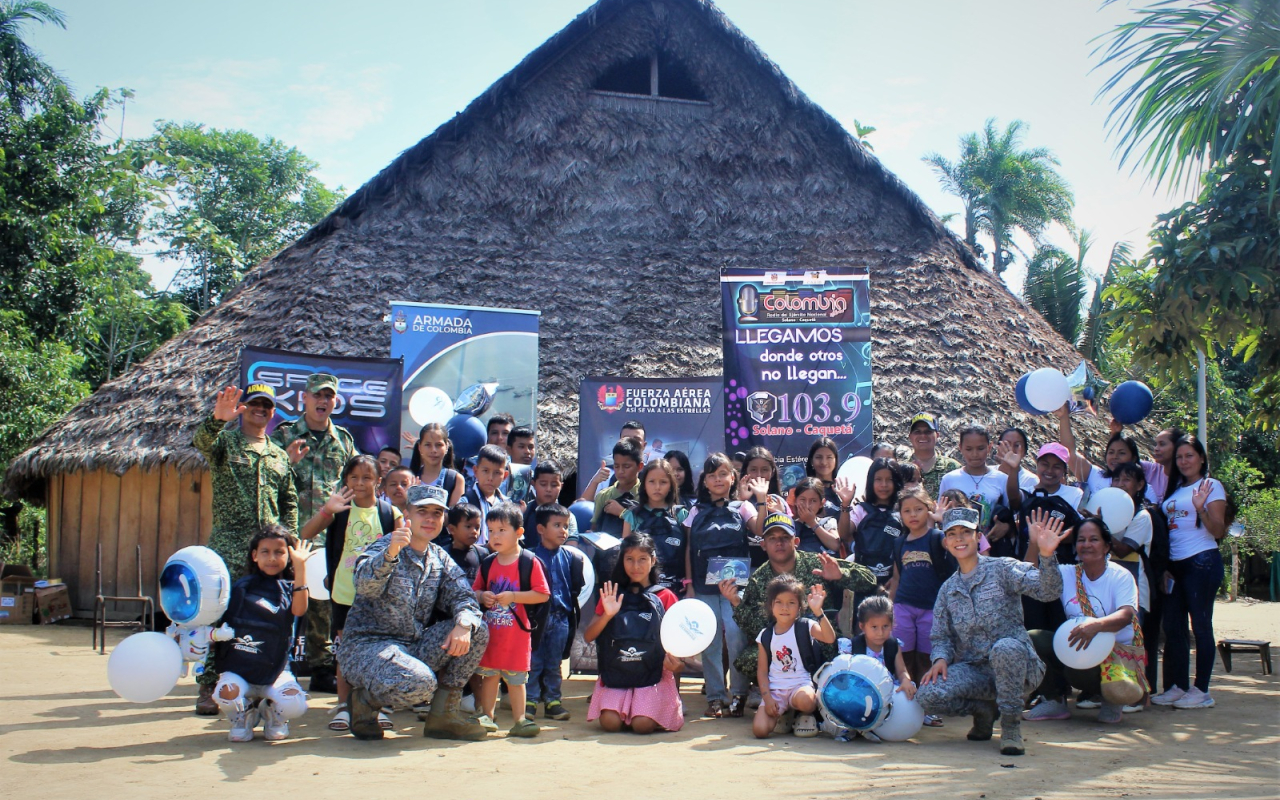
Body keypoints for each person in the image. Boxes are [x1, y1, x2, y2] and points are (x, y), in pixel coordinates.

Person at [336, 483, 489, 741]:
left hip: (410, 646)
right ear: (407, 513)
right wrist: (390, 554)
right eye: (422, 511)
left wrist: (463, 623)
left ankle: (444, 716)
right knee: (421, 684)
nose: (430, 519)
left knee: (477, 630)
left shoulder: (438, 556)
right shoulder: (385, 546)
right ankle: (364, 701)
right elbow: (363, 584)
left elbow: (464, 595)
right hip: (367, 648)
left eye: (437, 513)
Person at [916, 507, 1070, 756]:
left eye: (966, 532)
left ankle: (1010, 726)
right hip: (977, 672)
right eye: (952, 534)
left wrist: (1047, 555)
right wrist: (940, 659)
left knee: (1005, 648)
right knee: (928, 695)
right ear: (946, 543)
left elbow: (1048, 591)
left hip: (1019, 667)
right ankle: (983, 710)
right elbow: (941, 636)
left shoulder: (1003, 569)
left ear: (979, 537)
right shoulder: (948, 589)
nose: (959, 539)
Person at [192, 384, 298, 715]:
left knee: (267, 616)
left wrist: (290, 542)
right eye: (254, 404)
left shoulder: (279, 455)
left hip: (268, 552)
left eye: (266, 406)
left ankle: (261, 681)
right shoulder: (225, 443)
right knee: (222, 616)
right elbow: (201, 443)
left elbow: (289, 500)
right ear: (244, 408)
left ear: (271, 412)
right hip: (229, 545)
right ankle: (210, 685)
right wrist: (216, 421)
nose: (261, 410)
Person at [298, 454, 402, 733]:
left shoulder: (389, 514)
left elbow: (407, 543)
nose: (360, 482)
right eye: (354, 477)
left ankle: (374, 703)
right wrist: (327, 511)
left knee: (379, 650)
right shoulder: (339, 510)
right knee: (345, 651)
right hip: (344, 595)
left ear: (378, 481)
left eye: (367, 477)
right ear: (345, 480)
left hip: (379, 597)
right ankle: (344, 705)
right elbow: (306, 533)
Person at [270, 373, 357, 696]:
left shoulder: (344, 441)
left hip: (328, 534)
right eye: (317, 396)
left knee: (323, 604)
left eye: (329, 397)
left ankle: (322, 668)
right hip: (287, 531)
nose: (323, 402)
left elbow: (354, 481)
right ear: (303, 399)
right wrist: (286, 463)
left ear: (335, 401)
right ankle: (273, 662)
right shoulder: (284, 435)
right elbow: (268, 477)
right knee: (281, 597)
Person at [727, 513, 876, 691]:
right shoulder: (758, 579)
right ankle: (779, 692)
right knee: (748, 660)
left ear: (796, 541)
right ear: (763, 545)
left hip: (821, 642)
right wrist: (737, 603)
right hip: (782, 647)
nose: (779, 543)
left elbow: (870, 579)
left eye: (785, 537)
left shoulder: (817, 562)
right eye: (772, 538)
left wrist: (841, 575)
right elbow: (757, 630)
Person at [1025, 518, 1144, 724]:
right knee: (1031, 639)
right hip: (1077, 648)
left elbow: (1126, 615)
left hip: (1114, 654)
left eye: (1094, 539)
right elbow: (1028, 575)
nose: (1086, 544)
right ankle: (1054, 700)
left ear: (1107, 546)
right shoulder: (1068, 573)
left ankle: (1111, 697)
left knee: (1077, 670)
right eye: (1081, 540)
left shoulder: (1120, 576)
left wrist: (1096, 626)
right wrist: (1035, 543)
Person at [212, 524, 311, 742]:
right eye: (265, 552)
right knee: (224, 693)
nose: (272, 558)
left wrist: (301, 567)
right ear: (255, 555)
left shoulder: (292, 587)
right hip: (240, 669)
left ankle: (272, 712)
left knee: (296, 705)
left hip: (275, 670)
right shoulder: (240, 587)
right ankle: (243, 713)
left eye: (279, 552)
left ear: (289, 556)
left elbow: (299, 610)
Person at [1153, 435, 1227, 710]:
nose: (1184, 461)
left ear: (1202, 458)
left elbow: (1218, 530)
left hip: (1201, 562)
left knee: (1201, 626)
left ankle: (1202, 690)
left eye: (1190, 456)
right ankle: (1179, 686)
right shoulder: (1175, 489)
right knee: (1173, 627)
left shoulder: (1210, 486)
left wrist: (1201, 509)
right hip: (1175, 566)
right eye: (1180, 457)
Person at [584, 534, 685, 734]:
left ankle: (650, 709)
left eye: (642, 559)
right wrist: (607, 615)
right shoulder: (612, 593)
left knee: (642, 725)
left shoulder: (665, 596)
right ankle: (625, 707)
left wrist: (677, 665)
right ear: (622, 560)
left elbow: (678, 647)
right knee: (610, 724)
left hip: (652, 675)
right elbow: (588, 636)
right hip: (617, 672)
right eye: (629, 559)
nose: (635, 566)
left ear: (653, 561)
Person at [682, 453, 754, 717]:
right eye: (712, 475)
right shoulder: (695, 511)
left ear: (732, 477)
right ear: (705, 482)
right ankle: (715, 695)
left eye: (723, 473)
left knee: (736, 634)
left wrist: (756, 498)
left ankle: (739, 694)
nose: (718, 479)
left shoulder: (743, 508)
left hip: (735, 585)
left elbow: (759, 527)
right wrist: (689, 584)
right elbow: (689, 548)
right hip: (703, 585)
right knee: (710, 640)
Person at [472, 503, 551, 737]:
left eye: (502, 530)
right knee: (489, 676)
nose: (495, 536)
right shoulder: (488, 563)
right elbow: (475, 590)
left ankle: (520, 720)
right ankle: (487, 716)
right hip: (492, 635)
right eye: (492, 530)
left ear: (519, 532)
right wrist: (482, 596)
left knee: (517, 680)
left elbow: (542, 594)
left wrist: (514, 596)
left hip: (517, 635)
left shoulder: (529, 561)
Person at [889, 487, 956, 725]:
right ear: (901, 515)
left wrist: (940, 523)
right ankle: (905, 703)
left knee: (926, 658)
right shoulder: (899, 544)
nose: (913, 515)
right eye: (907, 510)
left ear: (929, 509)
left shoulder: (937, 538)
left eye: (919, 509)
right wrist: (891, 606)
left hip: (932, 608)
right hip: (904, 607)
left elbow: (955, 557)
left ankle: (927, 705)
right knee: (904, 656)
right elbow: (897, 577)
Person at [1112, 461, 1170, 692]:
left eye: (1126, 479)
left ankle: (1136, 694)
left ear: (1140, 485)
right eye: (1116, 479)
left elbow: (1124, 549)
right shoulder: (1108, 510)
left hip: (1136, 588)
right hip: (1112, 586)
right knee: (1114, 642)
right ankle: (1115, 692)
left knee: (1133, 641)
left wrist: (1099, 527)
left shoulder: (1142, 515)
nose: (1120, 484)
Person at [753, 577, 836, 739]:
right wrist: (767, 698)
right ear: (771, 605)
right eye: (779, 602)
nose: (785, 608)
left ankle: (803, 714)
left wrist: (818, 612)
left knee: (806, 701)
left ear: (799, 607)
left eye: (791, 602)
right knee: (760, 730)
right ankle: (785, 713)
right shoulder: (765, 636)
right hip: (776, 691)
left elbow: (829, 638)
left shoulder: (806, 626)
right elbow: (762, 671)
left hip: (800, 685)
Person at [528, 503, 588, 722]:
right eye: (557, 525)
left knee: (554, 663)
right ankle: (530, 702)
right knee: (534, 663)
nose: (563, 531)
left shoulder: (572, 558)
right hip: (535, 620)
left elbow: (574, 588)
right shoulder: (529, 557)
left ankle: (553, 702)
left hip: (561, 618)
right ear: (541, 529)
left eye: (565, 526)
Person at [1056, 405, 1179, 503]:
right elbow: (1069, 453)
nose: (1115, 457)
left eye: (1121, 453)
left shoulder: (1145, 489)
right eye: (1111, 452)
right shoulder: (1094, 475)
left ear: (1134, 458)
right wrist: (1063, 417)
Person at [621, 458, 689, 593]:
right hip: (640, 590)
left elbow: (689, 551)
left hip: (676, 589)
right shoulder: (632, 515)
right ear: (644, 484)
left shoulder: (681, 515)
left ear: (671, 485)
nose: (657, 487)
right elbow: (624, 554)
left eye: (663, 482)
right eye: (652, 482)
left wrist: (689, 584)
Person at [839, 458, 905, 595]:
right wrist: (845, 505)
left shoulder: (904, 511)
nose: (884, 485)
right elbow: (844, 535)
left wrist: (897, 578)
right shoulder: (861, 510)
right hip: (863, 581)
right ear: (870, 481)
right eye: (878, 479)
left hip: (894, 583)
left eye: (889, 480)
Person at [939, 425, 1019, 535]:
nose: (975, 454)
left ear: (989, 447)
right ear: (960, 447)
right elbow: (941, 515)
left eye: (980, 448)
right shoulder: (949, 479)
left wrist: (1007, 526)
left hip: (991, 545)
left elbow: (1012, 512)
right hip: (957, 544)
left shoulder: (1001, 479)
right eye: (969, 449)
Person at [739, 446, 791, 569]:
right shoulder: (737, 500)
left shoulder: (779, 501)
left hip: (777, 568)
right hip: (746, 569)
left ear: (772, 472)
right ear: (746, 471)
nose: (759, 475)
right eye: (753, 470)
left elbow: (792, 537)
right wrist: (741, 501)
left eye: (764, 470)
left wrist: (782, 515)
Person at [579, 420, 646, 501]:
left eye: (636, 439)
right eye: (626, 438)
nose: (630, 442)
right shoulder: (607, 473)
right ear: (619, 442)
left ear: (644, 445)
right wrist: (595, 482)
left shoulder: (651, 473)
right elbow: (583, 505)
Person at [592, 437, 643, 537]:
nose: (620, 471)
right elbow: (594, 527)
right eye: (616, 466)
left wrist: (622, 513)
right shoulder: (603, 496)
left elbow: (649, 525)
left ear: (640, 467)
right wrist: (592, 534)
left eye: (626, 466)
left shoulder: (646, 494)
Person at [407, 422, 464, 507]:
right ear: (419, 447)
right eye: (428, 445)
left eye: (439, 445)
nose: (433, 450)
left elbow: (454, 517)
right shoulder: (409, 478)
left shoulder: (455, 479)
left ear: (446, 447)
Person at [522, 460, 578, 547]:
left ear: (561, 486)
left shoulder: (568, 517)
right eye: (543, 484)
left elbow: (571, 548)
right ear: (533, 484)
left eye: (554, 485)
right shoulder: (524, 512)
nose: (548, 489)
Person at [462, 444, 509, 545]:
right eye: (485, 471)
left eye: (497, 473)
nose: (490, 478)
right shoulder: (465, 502)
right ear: (476, 471)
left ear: (505, 476)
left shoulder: (507, 504)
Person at [908, 413, 959, 499]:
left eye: (928, 432)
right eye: (917, 432)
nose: (923, 436)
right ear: (910, 436)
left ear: (937, 435)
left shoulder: (953, 468)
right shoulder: (900, 470)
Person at [790, 477, 840, 554]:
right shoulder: (790, 525)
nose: (807, 505)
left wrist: (812, 523)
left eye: (813, 501)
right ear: (795, 501)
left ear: (821, 503)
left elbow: (835, 545)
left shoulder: (827, 522)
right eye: (803, 500)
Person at [444, 503, 489, 584]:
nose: (474, 531)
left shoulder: (483, 555)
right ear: (452, 529)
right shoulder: (443, 555)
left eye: (477, 527)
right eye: (468, 527)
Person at [803, 437, 843, 519]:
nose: (824, 462)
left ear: (836, 460)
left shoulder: (843, 488)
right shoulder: (803, 488)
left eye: (829, 457)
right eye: (818, 457)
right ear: (811, 461)